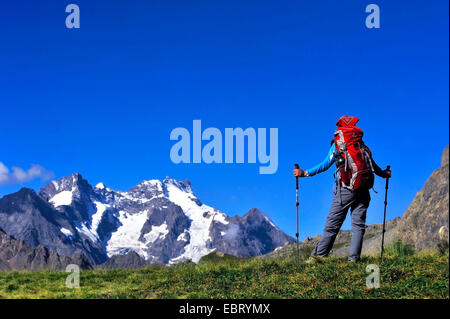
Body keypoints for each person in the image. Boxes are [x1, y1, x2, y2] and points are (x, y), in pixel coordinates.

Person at [293, 115, 391, 262]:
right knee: (358, 225)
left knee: (332, 224)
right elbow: (373, 166)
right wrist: (384, 174)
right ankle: (354, 260)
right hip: (364, 188)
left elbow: (325, 164)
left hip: (346, 189)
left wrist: (305, 173)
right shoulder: (362, 146)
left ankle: (317, 258)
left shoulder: (339, 145)